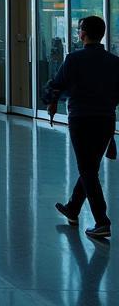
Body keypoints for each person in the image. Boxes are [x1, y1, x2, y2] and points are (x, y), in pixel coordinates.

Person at [46, 15, 119, 240]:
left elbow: (56, 86)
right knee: (90, 167)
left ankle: (101, 221)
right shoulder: (114, 62)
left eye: (79, 29)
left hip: (81, 120)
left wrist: (51, 101)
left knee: (87, 169)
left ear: (83, 33)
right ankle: (73, 208)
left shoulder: (73, 59)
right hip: (106, 120)